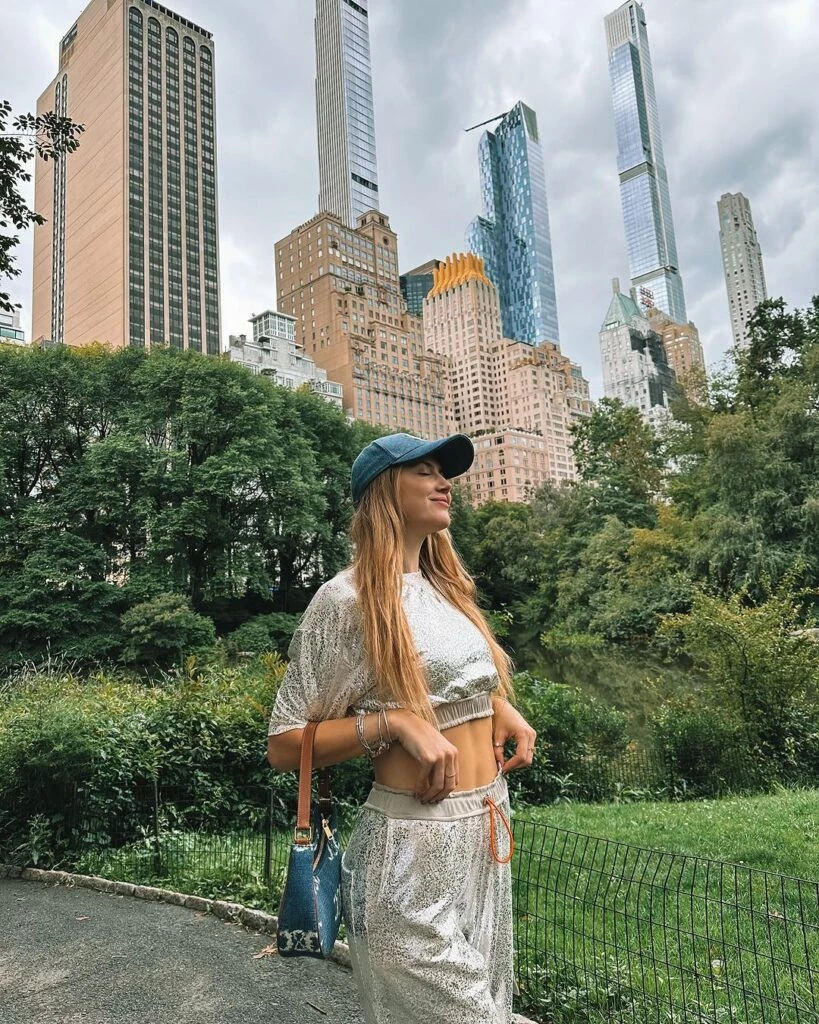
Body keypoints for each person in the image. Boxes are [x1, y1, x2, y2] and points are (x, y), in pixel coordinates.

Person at [266, 432, 536, 1024]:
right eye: (425, 471)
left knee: (490, 1002)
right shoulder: (345, 599)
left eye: (445, 472)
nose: (445, 483)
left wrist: (496, 705)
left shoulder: (446, 590)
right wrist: (393, 722)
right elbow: (284, 745)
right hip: (411, 847)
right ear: (384, 490)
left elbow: (446, 680)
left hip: (485, 828)